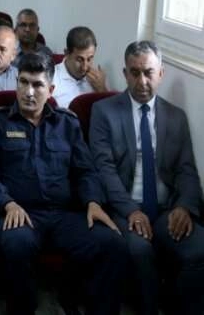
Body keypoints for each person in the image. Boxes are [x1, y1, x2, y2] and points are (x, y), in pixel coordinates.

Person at [0, 52, 126, 315]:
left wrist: (93, 202)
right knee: (17, 243)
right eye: (23, 82)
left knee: (111, 243)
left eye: (37, 85)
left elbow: (85, 170)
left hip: (63, 215)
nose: (28, 92)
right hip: (19, 213)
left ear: (51, 90)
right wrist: (7, 203)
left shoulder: (67, 123)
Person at [90, 41, 204, 315]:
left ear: (161, 73)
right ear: (125, 73)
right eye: (135, 72)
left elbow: (187, 170)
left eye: (149, 72)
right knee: (140, 252)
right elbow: (104, 169)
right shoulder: (104, 111)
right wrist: (131, 210)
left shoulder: (176, 117)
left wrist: (184, 207)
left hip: (166, 209)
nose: (142, 81)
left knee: (200, 250)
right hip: (124, 208)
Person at [52, 26, 108, 108]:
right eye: (79, 59)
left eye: (89, 59)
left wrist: (102, 90)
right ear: (66, 53)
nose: (84, 68)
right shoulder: (50, 79)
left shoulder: (97, 80)